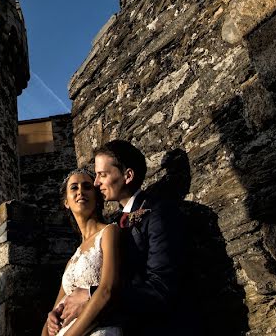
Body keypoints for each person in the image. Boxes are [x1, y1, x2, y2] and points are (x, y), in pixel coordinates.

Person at [59, 140, 190, 336]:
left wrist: (91, 294)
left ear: (127, 175)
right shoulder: (113, 223)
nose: (96, 183)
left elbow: (160, 290)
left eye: (102, 175)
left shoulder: (157, 215)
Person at [43, 169, 122, 336]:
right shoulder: (71, 261)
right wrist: (50, 318)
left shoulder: (109, 232)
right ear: (66, 202)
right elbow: (53, 314)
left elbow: (107, 290)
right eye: (74, 187)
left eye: (87, 187)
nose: (80, 191)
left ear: (96, 196)